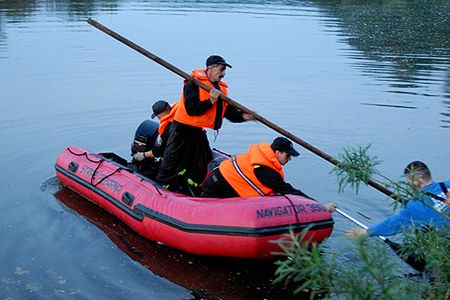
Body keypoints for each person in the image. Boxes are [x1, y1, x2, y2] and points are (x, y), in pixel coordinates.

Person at [155, 55, 254, 193]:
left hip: (197, 131)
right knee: (172, 161)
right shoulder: (193, 83)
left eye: (224, 70)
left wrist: (245, 117)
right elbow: (191, 109)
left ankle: (192, 189)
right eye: (221, 70)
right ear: (211, 69)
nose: (223, 74)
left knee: (202, 162)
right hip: (182, 129)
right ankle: (160, 190)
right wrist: (210, 102)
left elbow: (228, 113)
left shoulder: (219, 89)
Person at [201, 137, 337, 212]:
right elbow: (288, 191)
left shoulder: (262, 159)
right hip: (216, 189)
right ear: (277, 153)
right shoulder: (265, 170)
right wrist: (318, 207)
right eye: (288, 155)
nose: (289, 159)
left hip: (223, 183)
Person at [345, 161, 450, 238]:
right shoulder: (448, 184)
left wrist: (366, 232)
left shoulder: (416, 205)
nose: (408, 183)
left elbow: (393, 223)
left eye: (408, 179)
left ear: (419, 180)